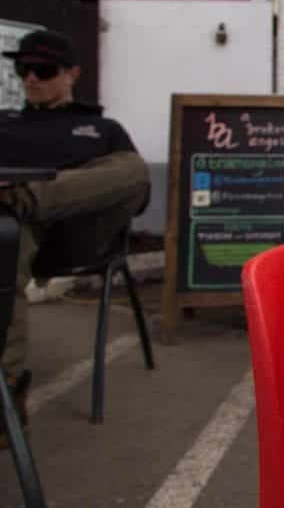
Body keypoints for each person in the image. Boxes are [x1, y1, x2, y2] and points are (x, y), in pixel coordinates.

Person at [0, 30, 149, 446]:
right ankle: (7, 394)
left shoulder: (101, 128)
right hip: (12, 237)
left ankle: (24, 199)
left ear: (72, 74)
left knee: (132, 170)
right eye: (22, 69)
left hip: (78, 236)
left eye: (43, 70)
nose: (31, 78)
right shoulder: (4, 122)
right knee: (5, 239)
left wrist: (35, 195)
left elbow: (136, 194)